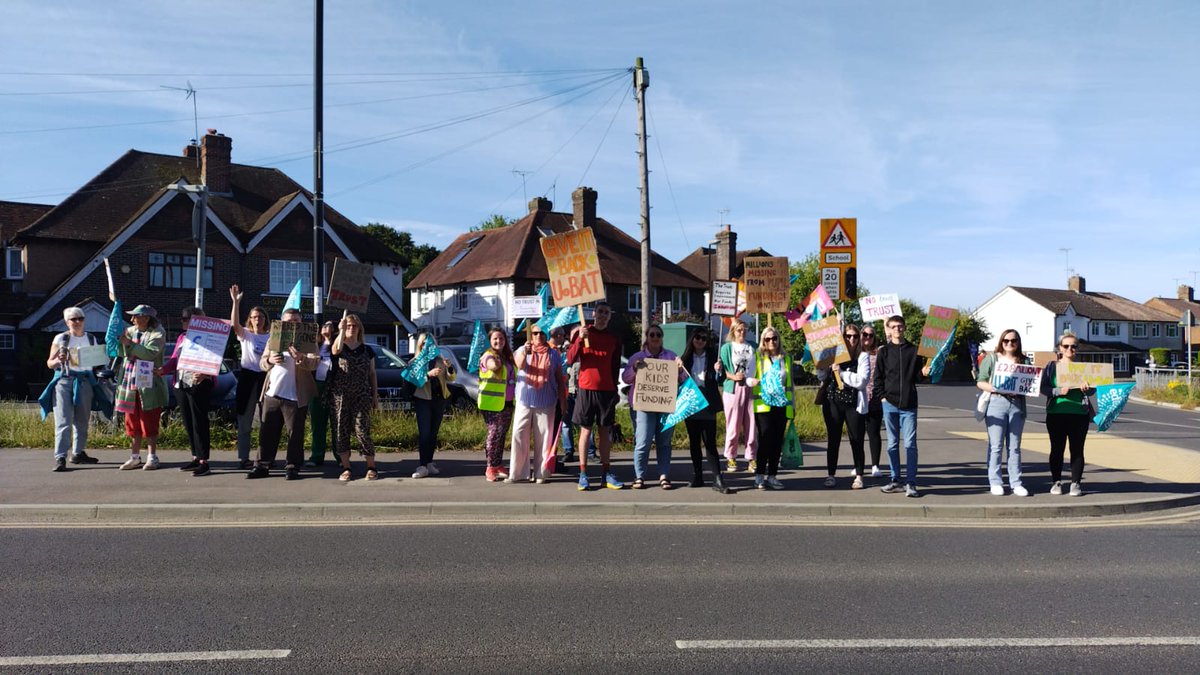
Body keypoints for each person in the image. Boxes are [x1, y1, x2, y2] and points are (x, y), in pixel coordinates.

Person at [247, 308, 319, 481]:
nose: (292, 324)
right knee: (267, 432)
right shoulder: (274, 337)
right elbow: (263, 363)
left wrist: (301, 358)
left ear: (300, 323)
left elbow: (314, 363)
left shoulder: (307, 340)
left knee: (295, 433)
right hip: (273, 392)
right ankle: (263, 465)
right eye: (288, 321)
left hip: (295, 395)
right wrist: (270, 360)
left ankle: (293, 466)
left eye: (295, 321)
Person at [40, 306, 107, 471]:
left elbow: (98, 363)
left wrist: (103, 371)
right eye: (73, 319)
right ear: (66, 322)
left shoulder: (91, 339)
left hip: (84, 381)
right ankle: (60, 457)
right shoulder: (61, 339)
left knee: (82, 420)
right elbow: (50, 363)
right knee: (64, 420)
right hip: (64, 381)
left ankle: (78, 453)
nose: (77, 322)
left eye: (80, 318)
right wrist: (59, 361)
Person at [567, 301, 624, 490]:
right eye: (600, 311)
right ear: (593, 313)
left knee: (604, 432)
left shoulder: (614, 338)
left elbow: (615, 366)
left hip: (607, 390)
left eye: (606, 312)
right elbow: (570, 359)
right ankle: (583, 474)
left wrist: (615, 390)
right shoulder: (582, 333)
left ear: (609, 316)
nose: (602, 315)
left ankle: (606, 473)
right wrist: (579, 339)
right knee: (586, 430)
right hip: (586, 388)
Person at [871, 314, 931, 498]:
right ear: (888, 329)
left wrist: (924, 373)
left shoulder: (914, 351)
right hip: (889, 404)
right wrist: (882, 398)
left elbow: (917, 378)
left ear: (904, 328)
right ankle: (895, 479)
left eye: (900, 326)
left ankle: (911, 482)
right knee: (892, 444)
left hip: (909, 405)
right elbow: (878, 378)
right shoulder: (884, 352)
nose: (897, 329)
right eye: (894, 326)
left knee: (911, 445)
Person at [622, 324, 684, 489]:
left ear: (662, 337)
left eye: (658, 335)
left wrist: (679, 369)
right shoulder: (637, 357)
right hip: (643, 406)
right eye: (652, 335)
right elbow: (626, 378)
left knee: (664, 443)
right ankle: (639, 476)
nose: (655, 338)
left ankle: (663, 476)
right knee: (643, 441)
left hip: (666, 406)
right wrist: (635, 369)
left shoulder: (671, 356)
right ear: (647, 338)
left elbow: (684, 378)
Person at [507, 326, 567, 483]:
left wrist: (563, 401)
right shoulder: (522, 349)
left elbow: (559, 379)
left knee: (544, 438)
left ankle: (541, 473)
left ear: (546, 335)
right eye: (535, 333)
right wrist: (525, 352)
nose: (538, 335)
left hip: (546, 401)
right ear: (530, 335)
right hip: (524, 400)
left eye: (542, 333)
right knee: (518, 434)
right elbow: (519, 365)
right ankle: (518, 473)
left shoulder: (553, 354)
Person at [976, 329, 1030, 497]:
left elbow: (1029, 385)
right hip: (996, 402)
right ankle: (995, 481)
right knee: (996, 445)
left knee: (1014, 447)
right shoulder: (991, 358)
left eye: (1013, 341)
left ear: (1018, 342)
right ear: (1001, 341)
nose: (1009, 344)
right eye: (1006, 341)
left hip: (1017, 404)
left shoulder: (1025, 360)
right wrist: (995, 388)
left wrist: (1020, 391)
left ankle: (1016, 483)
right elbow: (980, 381)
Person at [114, 304, 168, 471]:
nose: (133, 319)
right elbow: (120, 352)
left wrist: (129, 345)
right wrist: (118, 341)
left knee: (149, 419)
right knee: (132, 421)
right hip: (129, 382)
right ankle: (135, 456)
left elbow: (150, 353)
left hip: (148, 383)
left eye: (136, 316)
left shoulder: (158, 333)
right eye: (133, 316)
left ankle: (152, 457)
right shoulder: (129, 331)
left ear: (146, 318)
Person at [1040, 331, 1094, 497]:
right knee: (1057, 449)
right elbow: (1043, 388)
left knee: (1077, 450)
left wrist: (1088, 388)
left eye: (1074, 346)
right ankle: (1056, 481)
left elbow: (1093, 390)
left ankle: (1076, 483)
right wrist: (1057, 391)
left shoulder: (1084, 368)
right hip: (1056, 413)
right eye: (1066, 346)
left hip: (1079, 413)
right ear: (1059, 348)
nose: (1070, 349)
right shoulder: (1051, 367)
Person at [818, 323, 871, 489]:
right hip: (833, 401)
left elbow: (861, 381)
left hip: (853, 403)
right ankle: (831, 474)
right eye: (848, 336)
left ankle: (859, 475)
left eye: (855, 336)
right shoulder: (834, 354)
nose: (852, 339)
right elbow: (821, 376)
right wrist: (822, 365)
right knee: (833, 439)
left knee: (856, 439)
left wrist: (842, 373)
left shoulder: (862, 356)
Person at [163, 307, 215, 476]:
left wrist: (206, 373)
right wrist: (162, 370)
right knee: (188, 421)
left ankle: (204, 461)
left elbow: (215, 360)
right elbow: (174, 360)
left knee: (199, 421)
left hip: (199, 383)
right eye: (184, 319)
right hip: (181, 383)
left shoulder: (209, 338)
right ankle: (195, 456)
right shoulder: (181, 338)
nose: (185, 322)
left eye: (189, 319)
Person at [328, 314, 380, 481]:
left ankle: (371, 466)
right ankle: (346, 467)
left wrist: (375, 395)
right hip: (341, 396)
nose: (352, 328)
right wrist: (341, 330)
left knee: (362, 430)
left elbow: (372, 374)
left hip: (361, 395)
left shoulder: (367, 350)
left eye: (354, 326)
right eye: (349, 325)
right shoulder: (340, 345)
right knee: (340, 431)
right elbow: (335, 350)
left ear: (360, 329)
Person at [679, 328, 731, 493]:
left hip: (708, 402)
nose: (700, 340)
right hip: (691, 401)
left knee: (709, 443)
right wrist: (678, 367)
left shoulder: (713, 357)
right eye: (697, 337)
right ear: (692, 339)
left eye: (703, 338)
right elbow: (678, 379)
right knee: (694, 441)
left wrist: (719, 370)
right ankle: (698, 476)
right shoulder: (685, 358)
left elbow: (720, 379)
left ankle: (717, 478)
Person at [230, 285, 270, 469]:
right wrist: (236, 303)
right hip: (247, 378)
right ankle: (243, 458)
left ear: (265, 319)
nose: (257, 320)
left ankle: (264, 457)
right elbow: (234, 325)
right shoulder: (246, 335)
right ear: (250, 320)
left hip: (266, 378)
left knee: (266, 420)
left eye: (260, 317)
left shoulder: (271, 336)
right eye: (254, 317)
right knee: (244, 419)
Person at [748, 325, 791, 490]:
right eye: (768, 339)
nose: (771, 341)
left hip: (781, 405)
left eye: (774, 338)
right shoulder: (758, 357)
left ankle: (772, 475)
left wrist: (792, 406)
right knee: (765, 440)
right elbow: (747, 378)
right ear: (763, 341)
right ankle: (759, 475)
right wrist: (753, 382)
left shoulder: (785, 359)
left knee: (777, 442)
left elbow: (790, 386)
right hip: (764, 405)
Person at [411, 330, 455, 478]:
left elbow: (451, 378)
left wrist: (449, 367)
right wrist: (428, 375)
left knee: (433, 433)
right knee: (424, 434)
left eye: (430, 343)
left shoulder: (440, 360)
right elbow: (415, 381)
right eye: (423, 343)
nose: (426, 346)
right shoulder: (415, 362)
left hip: (438, 399)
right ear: (419, 345)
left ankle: (429, 462)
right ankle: (422, 465)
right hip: (423, 399)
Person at [719, 319, 758, 472]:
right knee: (733, 425)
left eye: (744, 329)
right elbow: (722, 371)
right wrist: (733, 377)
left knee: (752, 425)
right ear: (733, 331)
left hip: (751, 388)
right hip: (733, 389)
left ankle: (752, 457)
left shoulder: (752, 347)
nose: (742, 332)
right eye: (739, 330)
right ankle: (731, 457)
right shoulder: (727, 348)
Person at [478, 327, 516, 482]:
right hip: (491, 403)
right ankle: (490, 467)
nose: (498, 341)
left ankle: (498, 463)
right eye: (495, 339)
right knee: (493, 434)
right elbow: (492, 366)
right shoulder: (488, 356)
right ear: (490, 341)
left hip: (507, 402)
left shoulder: (507, 357)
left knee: (501, 435)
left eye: (501, 338)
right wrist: (496, 362)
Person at [305, 320, 337, 468]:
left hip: (335, 387)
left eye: (329, 324)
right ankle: (317, 455)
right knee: (317, 423)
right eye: (324, 325)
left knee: (337, 424)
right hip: (317, 386)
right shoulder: (315, 346)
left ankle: (340, 456)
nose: (325, 326)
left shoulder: (338, 346)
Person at [860, 325, 884, 477]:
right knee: (857, 434)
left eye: (871, 334)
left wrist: (886, 322)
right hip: (858, 399)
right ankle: (859, 465)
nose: (867, 337)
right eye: (864, 334)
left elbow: (891, 342)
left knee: (874, 432)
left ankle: (875, 465)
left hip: (875, 398)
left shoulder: (880, 352)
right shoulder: (854, 353)